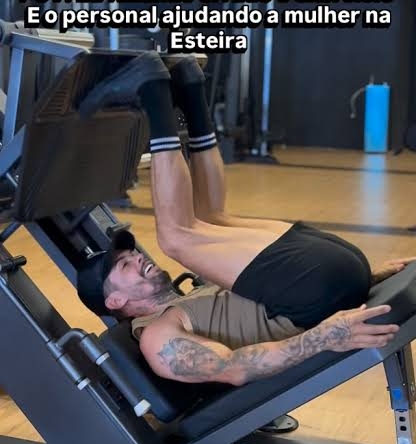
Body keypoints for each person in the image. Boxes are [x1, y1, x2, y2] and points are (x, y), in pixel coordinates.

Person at [77, 52, 404, 387]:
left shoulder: (189, 296)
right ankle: (152, 88)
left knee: (209, 218)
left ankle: (190, 87)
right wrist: (322, 338)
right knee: (175, 238)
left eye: (130, 254)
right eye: (124, 265)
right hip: (311, 295)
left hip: (329, 275)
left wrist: (371, 276)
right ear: (115, 301)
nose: (137, 257)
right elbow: (234, 368)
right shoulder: (156, 338)